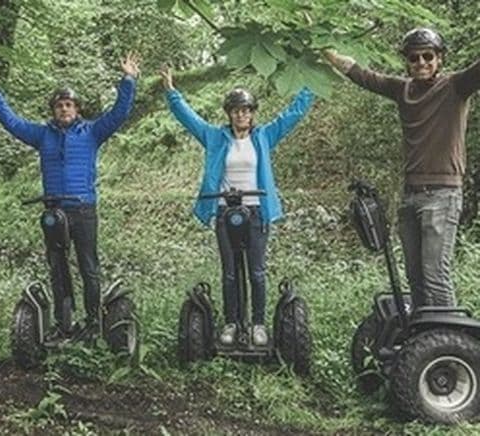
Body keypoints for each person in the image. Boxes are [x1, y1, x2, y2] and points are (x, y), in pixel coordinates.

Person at [0, 52, 140, 340]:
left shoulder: (92, 132)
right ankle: (63, 322)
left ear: (77, 109)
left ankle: (93, 322)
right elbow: (13, 123)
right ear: (53, 110)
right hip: (54, 212)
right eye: (59, 106)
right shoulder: (42, 135)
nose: (64, 109)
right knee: (57, 267)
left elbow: (119, 113)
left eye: (69, 105)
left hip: (83, 209)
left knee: (89, 266)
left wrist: (128, 80)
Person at [324, 28, 480, 308]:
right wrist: (323, 47)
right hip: (410, 196)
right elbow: (362, 75)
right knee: (416, 278)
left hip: (443, 196)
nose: (421, 62)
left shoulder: (455, 87)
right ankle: (423, 341)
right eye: (414, 57)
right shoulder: (402, 89)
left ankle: (452, 343)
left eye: (428, 56)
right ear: (407, 61)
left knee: (435, 275)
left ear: (439, 59)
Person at [160, 64, 314, 345]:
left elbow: (293, 114)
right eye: (236, 110)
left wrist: (312, 81)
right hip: (224, 210)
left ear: (253, 113)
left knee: (256, 271)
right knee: (230, 272)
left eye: (246, 110)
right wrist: (171, 92)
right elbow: (189, 119)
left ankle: (257, 324)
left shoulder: (265, 136)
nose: (241, 114)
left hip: (256, 210)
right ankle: (232, 322)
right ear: (229, 113)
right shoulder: (215, 137)